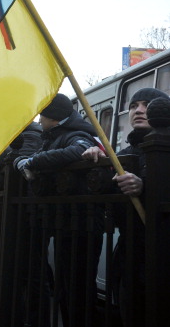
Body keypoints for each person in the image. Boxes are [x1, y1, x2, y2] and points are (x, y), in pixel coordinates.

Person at [82, 87, 170, 325]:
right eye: (134, 106)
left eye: (147, 105)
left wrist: (144, 187)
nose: (139, 110)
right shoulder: (124, 154)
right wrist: (97, 160)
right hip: (129, 257)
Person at [15, 93, 102, 327]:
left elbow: (76, 151)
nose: (40, 119)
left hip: (77, 222)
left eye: (43, 114)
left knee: (76, 288)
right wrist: (21, 161)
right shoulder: (52, 135)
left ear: (52, 117)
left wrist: (33, 162)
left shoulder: (77, 134)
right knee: (58, 283)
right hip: (54, 218)